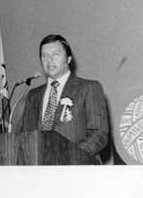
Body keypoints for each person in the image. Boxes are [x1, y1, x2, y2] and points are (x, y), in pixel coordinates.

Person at [20, 34, 109, 162]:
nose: (49, 60)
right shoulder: (33, 95)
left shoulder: (88, 87)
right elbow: (26, 137)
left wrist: (68, 156)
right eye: (44, 55)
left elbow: (99, 134)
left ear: (68, 59)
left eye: (55, 54)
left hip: (78, 169)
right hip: (39, 172)